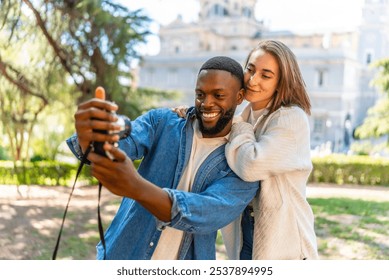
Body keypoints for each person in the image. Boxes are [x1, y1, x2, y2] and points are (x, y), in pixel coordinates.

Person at [66, 56, 259, 260]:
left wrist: (135, 186)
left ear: (239, 97)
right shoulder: (162, 122)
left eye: (218, 95)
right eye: (200, 94)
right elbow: (120, 143)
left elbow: (206, 213)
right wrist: (93, 133)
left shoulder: (243, 162)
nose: (206, 103)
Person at [173, 40, 318, 260]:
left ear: (281, 82)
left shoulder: (290, 118)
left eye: (266, 75)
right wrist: (196, 112)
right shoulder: (247, 119)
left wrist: (237, 124)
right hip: (246, 236)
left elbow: (250, 164)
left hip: (285, 244)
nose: (252, 80)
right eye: (250, 69)